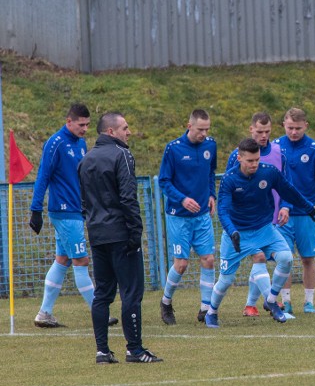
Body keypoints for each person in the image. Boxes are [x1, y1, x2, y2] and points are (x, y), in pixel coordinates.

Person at [206, 138, 315, 328]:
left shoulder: (269, 172)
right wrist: (232, 231)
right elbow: (224, 211)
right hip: (237, 233)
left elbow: (289, 191)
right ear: (239, 158)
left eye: (257, 160)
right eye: (250, 160)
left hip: (264, 229)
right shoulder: (229, 179)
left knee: (286, 258)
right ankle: (211, 312)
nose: (254, 164)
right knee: (226, 279)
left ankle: (270, 300)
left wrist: (309, 208)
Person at [78, 112, 161, 363]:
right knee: (131, 293)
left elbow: (83, 202)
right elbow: (128, 197)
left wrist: (94, 225)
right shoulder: (122, 155)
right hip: (121, 234)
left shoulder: (85, 160)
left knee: (102, 293)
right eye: (125, 127)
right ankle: (134, 349)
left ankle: (102, 351)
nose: (129, 132)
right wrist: (135, 232)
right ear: (111, 132)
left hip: (97, 235)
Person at [28, 103, 117, 328]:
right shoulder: (55, 143)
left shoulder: (81, 144)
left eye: (87, 125)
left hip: (76, 211)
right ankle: (101, 313)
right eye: (81, 124)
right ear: (69, 122)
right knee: (81, 260)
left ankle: (44, 313)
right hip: (64, 211)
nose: (85, 129)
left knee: (63, 259)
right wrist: (35, 209)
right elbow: (43, 176)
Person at [224, 112, 291, 318]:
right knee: (259, 257)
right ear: (251, 130)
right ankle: (267, 302)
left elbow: (286, 184)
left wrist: (286, 206)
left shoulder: (280, 152)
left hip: (272, 216)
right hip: (248, 220)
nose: (263, 136)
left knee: (278, 258)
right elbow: (229, 185)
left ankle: (253, 304)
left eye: (267, 132)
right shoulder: (237, 155)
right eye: (259, 131)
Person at [157, 109, 218, 325]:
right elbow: (164, 181)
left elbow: (210, 172)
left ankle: (205, 308)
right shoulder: (173, 149)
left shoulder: (211, 145)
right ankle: (165, 302)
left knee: (209, 259)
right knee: (181, 265)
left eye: (207, 129)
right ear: (189, 125)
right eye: (200, 129)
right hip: (179, 216)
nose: (204, 134)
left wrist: (212, 194)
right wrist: (182, 199)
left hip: (202, 215)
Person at [272, 108, 315, 314]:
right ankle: (286, 301)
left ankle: (309, 301)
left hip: (306, 213)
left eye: (298, 128)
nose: (293, 132)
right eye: (290, 128)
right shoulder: (276, 147)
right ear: (284, 125)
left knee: (307, 258)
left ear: (306, 126)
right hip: (282, 213)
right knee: (284, 258)